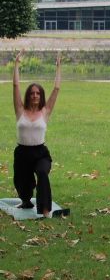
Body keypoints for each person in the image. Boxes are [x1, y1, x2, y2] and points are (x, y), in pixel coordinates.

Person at [12, 50, 62, 218]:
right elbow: (16, 86)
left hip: (40, 153)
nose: (35, 95)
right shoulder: (20, 110)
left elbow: (56, 88)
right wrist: (16, 65)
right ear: (28, 95)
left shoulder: (45, 111)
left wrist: (58, 68)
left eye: (38, 93)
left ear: (41, 96)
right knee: (22, 182)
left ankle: (45, 209)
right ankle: (26, 200)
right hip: (22, 153)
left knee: (42, 172)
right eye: (32, 93)